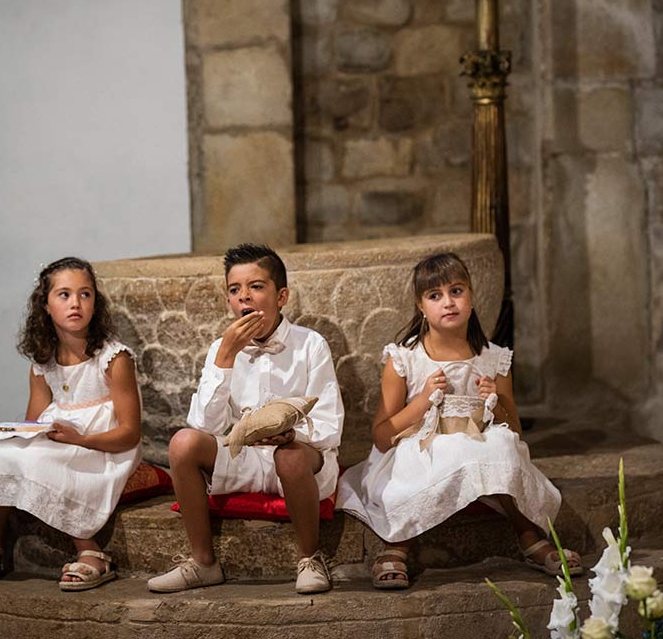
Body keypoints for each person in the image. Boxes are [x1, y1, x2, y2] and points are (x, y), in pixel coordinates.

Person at [336, 253, 581, 589]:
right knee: (421, 461)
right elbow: (381, 436)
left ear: (471, 297)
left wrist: (493, 401)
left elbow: (516, 431)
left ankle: (530, 537)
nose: (448, 303)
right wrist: (422, 400)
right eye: (434, 296)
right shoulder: (405, 359)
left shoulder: (494, 358)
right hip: (421, 449)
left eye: (456, 291)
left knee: (503, 445)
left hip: (477, 445)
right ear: (420, 306)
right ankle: (399, 542)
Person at [147, 244, 344, 594]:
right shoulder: (221, 349)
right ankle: (203, 562)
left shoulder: (310, 345)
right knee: (182, 443)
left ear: (281, 295)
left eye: (256, 286)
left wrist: (291, 435)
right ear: (228, 300)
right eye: (235, 290)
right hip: (245, 456)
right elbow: (204, 426)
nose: (245, 298)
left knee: (291, 456)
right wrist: (225, 357)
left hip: (299, 459)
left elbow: (329, 426)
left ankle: (310, 558)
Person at [0, 257, 142, 591]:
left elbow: (130, 433)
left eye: (85, 294)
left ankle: (90, 551)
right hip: (63, 440)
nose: (75, 303)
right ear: (45, 305)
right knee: (5, 451)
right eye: (64, 295)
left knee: (49, 460)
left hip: (103, 444)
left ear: (95, 302)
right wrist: (14, 433)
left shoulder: (113, 359)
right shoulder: (42, 362)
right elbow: (33, 423)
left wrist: (81, 439)